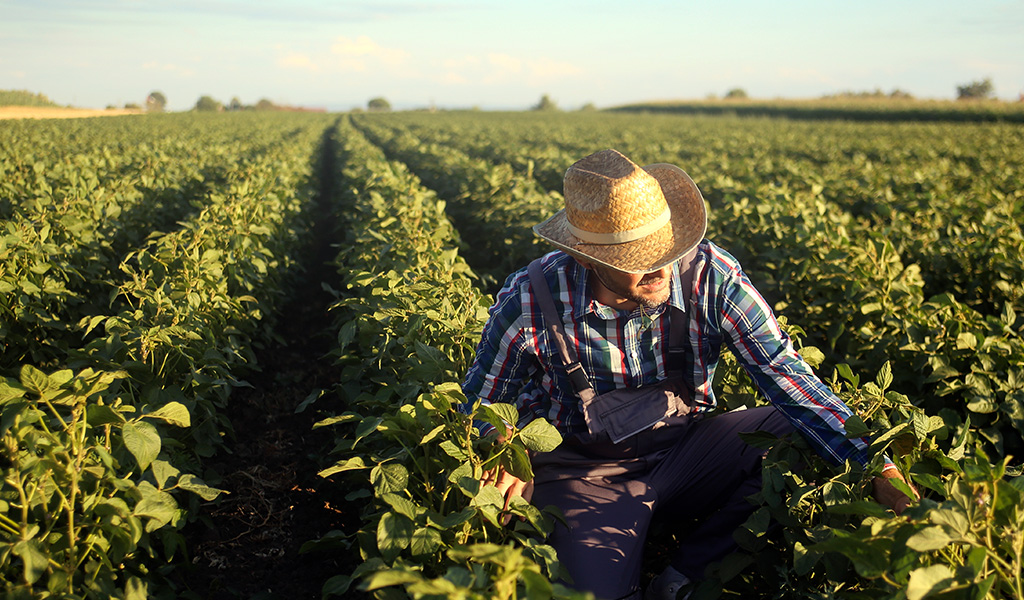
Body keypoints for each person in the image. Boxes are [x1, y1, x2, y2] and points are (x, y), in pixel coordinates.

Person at [461, 149, 915, 600]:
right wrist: (503, 447)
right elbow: (481, 399)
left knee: (793, 434)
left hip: (687, 451)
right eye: (635, 257)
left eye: (666, 247)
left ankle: (685, 574)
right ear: (586, 259)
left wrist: (880, 469)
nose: (661, 268)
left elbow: (788, 376)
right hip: (586, 472)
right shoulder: (532, 299)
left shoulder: (711, 276)